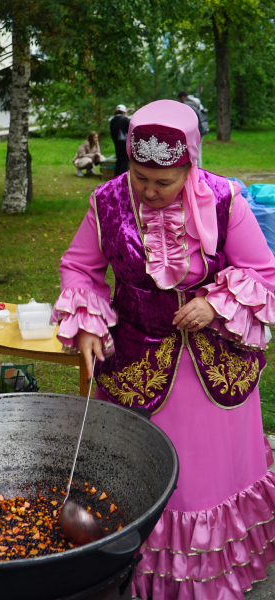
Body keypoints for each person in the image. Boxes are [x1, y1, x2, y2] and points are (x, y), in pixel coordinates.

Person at [51, 99, 275, 600]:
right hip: (133, 361)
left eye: (163, 181)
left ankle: (204, 579)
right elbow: (79, 267)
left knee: (199, 482)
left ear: (189, 163)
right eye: (139, 175)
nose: (149, 191)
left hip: (214, 369)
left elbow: (263, 272)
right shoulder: (108, 202)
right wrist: (87, 324)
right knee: (139, 479)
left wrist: (216, 305)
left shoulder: (225, 201)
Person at [178, 91, 209, 168]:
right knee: (198, 152)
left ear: (182, 98)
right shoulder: (196, 102)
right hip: (201, 130)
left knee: (193, 153)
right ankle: (198, 170)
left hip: (194, 132)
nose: (180, 102)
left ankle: (196, 172)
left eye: (179, 100)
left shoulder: (188, 105)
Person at [110, 104, 130, 176]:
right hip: (124, 143)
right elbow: (130, 131)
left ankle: (116, 176)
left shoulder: (112, 120)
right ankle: (122, 177)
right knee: (125, 160)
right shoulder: (125, 120)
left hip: (116, 143)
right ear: (123, 112)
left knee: (118, 159)